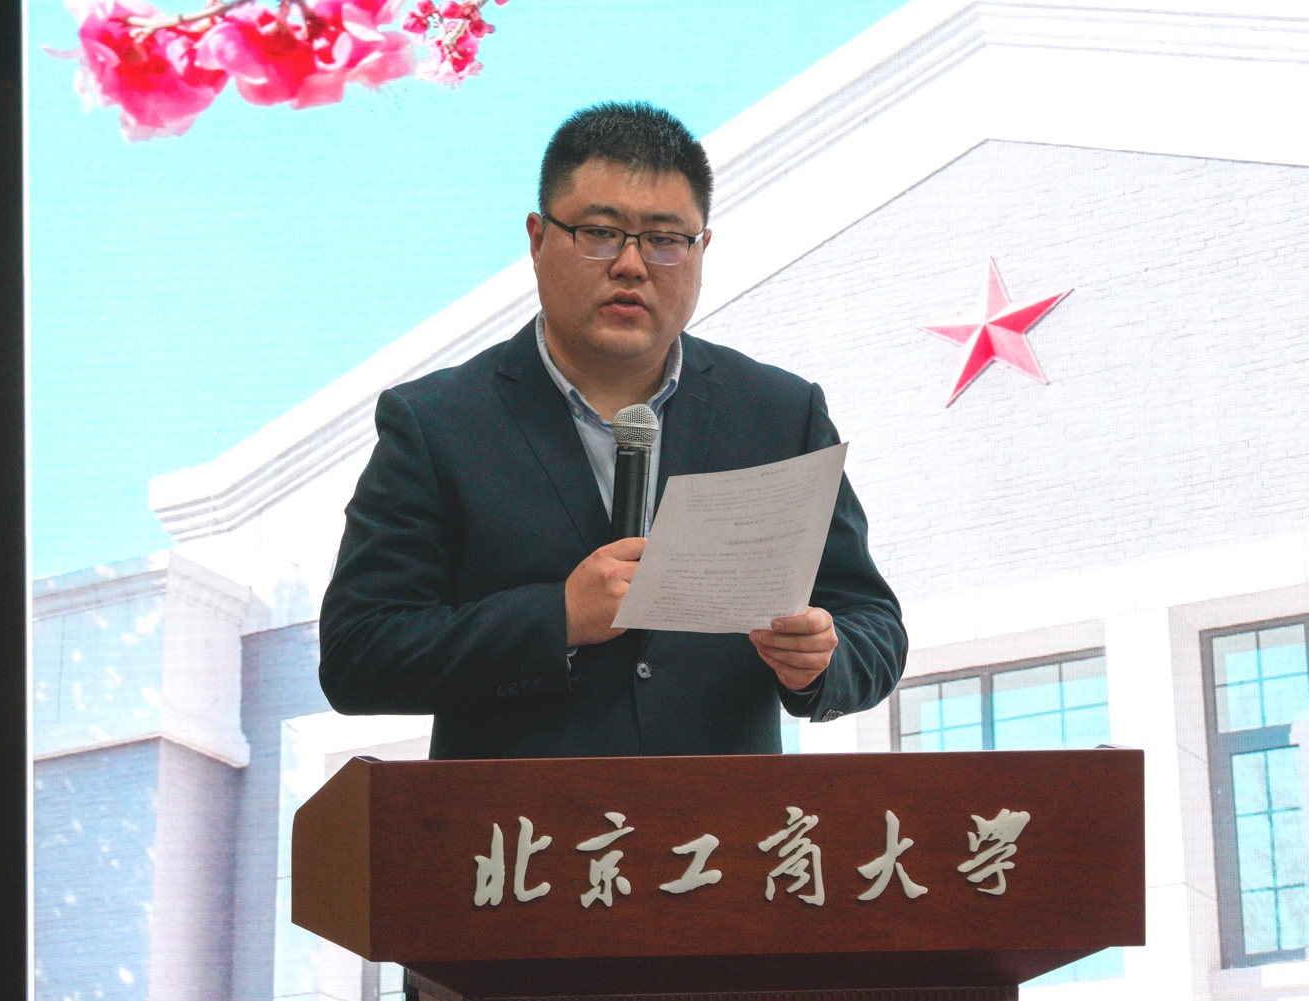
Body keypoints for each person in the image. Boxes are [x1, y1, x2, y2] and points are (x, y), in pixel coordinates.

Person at [318, 102, 906, 758]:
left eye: (665, 240)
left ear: (702, 250)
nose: (631, 264)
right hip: (517, 822)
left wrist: (822, 660)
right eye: (599, 233)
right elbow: (357, 653)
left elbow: (874, 625)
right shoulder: (437, 423)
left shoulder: (780, 414)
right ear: (538, 240)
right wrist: (558, 617)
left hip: (719, 820)